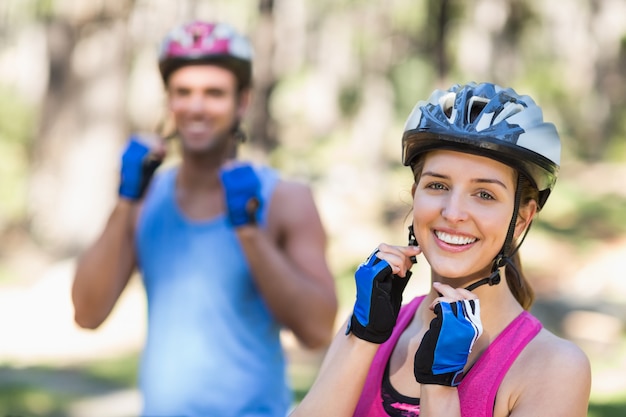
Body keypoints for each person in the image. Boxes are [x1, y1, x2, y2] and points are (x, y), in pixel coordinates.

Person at [71, 20, 338, 417]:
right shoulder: (145, 199)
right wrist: (126, 199)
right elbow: (87, 313)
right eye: (183, 92)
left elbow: (317, 332)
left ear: (242, 102)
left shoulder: (285, 198)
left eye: (214, 93)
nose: (196, 106)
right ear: (169, 101)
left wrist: (249, 230)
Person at [291, 82, 591, 417]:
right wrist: (363, 339)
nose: (453, 212)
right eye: (438, 185)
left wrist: (439, 388)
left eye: (485, 194)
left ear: (522, 218)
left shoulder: (553, 367)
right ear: (415, 192)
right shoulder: (366, 329)